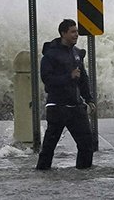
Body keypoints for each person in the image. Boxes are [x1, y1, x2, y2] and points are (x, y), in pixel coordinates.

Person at [36, 19, 95, 170]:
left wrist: (89, 99)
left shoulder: (76, 53)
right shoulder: (51, 55)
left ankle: (83, 174)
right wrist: (68, 76)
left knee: (87, 144)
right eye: (73, 32)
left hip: (76, 106)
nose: (76, 35)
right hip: (57, 107)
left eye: (77, 31)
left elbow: (83, 79)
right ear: (63, 33)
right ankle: (42, 174)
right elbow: (47, 79)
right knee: (49, 147)